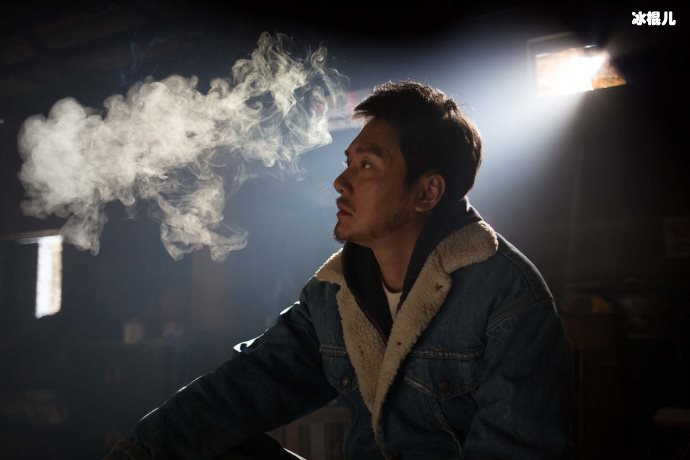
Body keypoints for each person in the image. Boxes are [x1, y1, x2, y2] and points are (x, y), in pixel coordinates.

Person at [105, 81, 572, 459]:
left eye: (367, 165)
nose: (340, 182)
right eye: (348, 162)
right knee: (200, 443)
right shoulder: (334, 294)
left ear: (426, 193)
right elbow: (239, 390)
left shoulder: (507, 297)